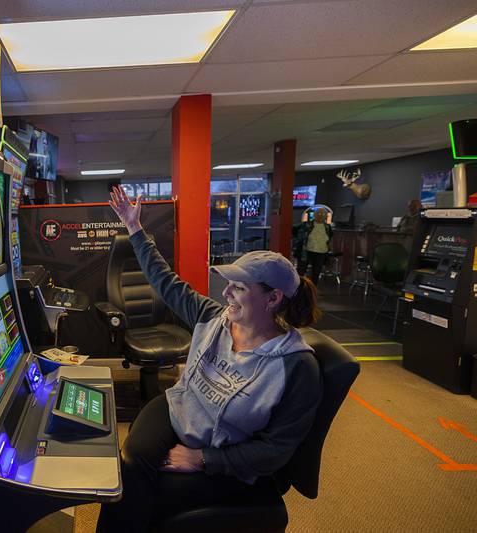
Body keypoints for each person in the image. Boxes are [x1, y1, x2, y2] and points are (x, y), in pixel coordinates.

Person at [97, 186, 323, 532]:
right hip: (182, 408)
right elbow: (165, 282)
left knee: (151, 491)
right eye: (228, 284)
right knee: (126, 471)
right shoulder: (213, 316)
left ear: (273, 298)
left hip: (227, 455)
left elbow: (276, 451)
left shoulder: (296, 367)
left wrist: (204, 459)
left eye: (239, 287)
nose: (226, 292)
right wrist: (134, 228)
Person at [294, 207, 332, 287]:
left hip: (321, 252)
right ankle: (298, 287)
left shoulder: (327, 227)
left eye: (323, 214)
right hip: (306, 251)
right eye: (318, 214)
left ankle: (312, 288)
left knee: (316, 272)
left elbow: (329, 238)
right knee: (301, 270)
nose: (320, 216)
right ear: (314, 215)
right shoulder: (306, 225)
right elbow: (295, 232)